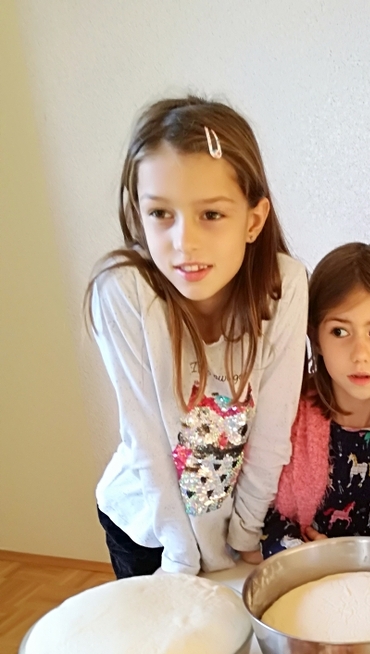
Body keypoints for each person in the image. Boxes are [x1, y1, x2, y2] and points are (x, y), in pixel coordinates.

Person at [87, 96, 307, 577]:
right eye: (161, 213)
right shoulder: (122, 291)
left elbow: (272, 434)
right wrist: (183, 558)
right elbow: (147, 444)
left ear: (253, 220)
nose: (184, 242)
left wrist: (245, 533)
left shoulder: (284, 286)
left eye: (211, 215)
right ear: (139, 214)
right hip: (147, 526)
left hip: (235, 527)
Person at [261, 243, 370, 557]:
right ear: (315, 338)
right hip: (308, 580)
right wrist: (312, 558)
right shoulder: (287, 416)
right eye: (339, 332)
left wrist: (347, 560)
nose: (359, 354)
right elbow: (264, 518)